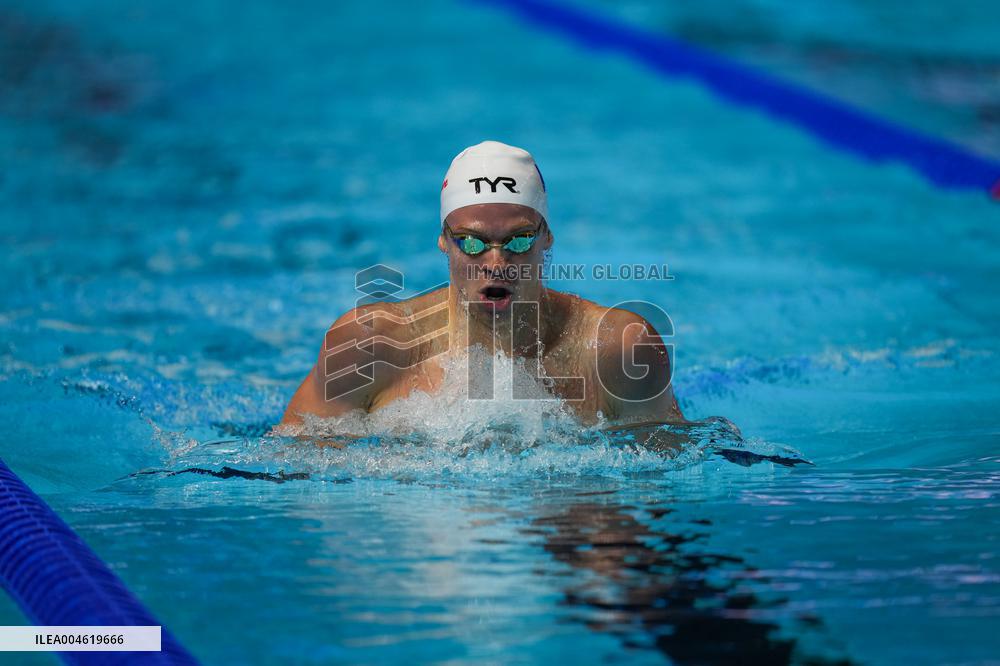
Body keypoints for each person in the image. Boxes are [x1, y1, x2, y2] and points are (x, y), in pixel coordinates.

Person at [280, 140, 699, 448]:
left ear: (546, 237)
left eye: (517, 241)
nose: (496, 264)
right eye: (472, 243)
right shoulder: (372, 345)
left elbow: (665, 483)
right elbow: (288, 466)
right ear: (444, 241)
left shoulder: (614, 347)